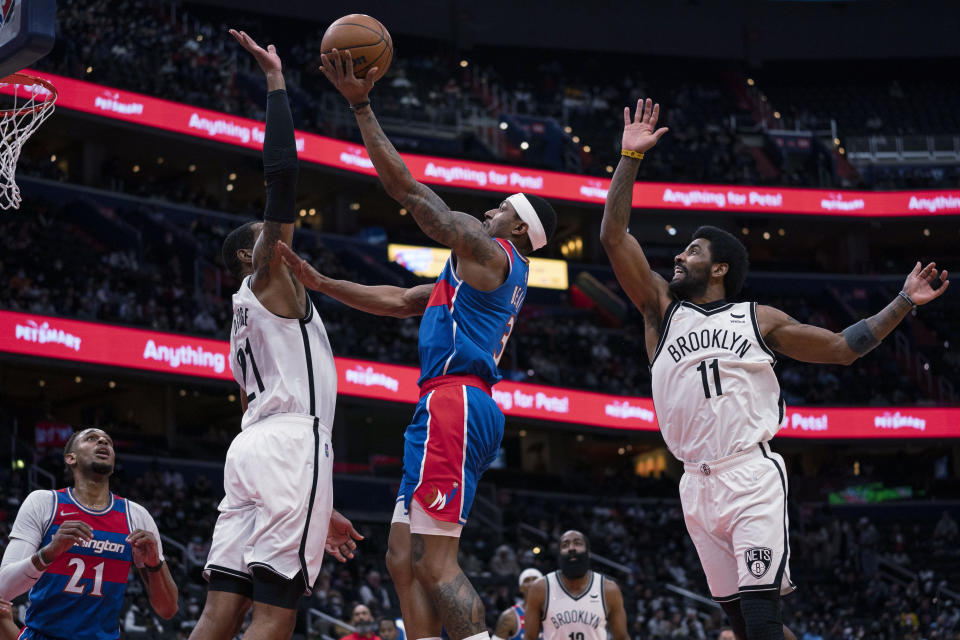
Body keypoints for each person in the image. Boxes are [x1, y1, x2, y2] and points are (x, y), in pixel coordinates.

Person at [599, 98, 950, 640]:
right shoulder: (660, 310)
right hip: (694, 483)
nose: (678, 257)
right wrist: (629, 157)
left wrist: (903, 301)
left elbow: (842, 347)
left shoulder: (756, 318)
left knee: (761, 621)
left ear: (718, 267)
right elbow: (613, 238)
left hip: (750, 476)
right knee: (741, 625)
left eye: (692, 250)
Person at [281, 46, 559, 640]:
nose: (490, 209)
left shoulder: (490, 253)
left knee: (437, 562)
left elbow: (411, 194)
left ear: (518, 228)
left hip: (455, 401)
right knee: (401, 558)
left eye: (503, 207)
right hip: (446, 402)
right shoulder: (473, 273)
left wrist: (362, 109)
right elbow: (399, 301)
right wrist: (324, 284)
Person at [188, 30, 362, 640]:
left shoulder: (242, 316)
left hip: (252, 451)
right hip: (292, 447)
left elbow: (251, 404)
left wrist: (322, 503)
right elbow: (283, 177)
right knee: (274, 616)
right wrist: (277, 84)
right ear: (250, 254)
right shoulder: (267, 276)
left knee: (220, 608)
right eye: (269, 239)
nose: (289, 243)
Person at [0, 428, 179, 639]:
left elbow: (167, 610)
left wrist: (154, 564)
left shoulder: (137, 516)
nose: (103, 441)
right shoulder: (44, 503)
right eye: (92, 438)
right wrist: (49, 552)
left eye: (108, 441)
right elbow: (3, 588)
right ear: (70, 458)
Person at [523, 530, 628, 640]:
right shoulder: (540, 588)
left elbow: (621, 637)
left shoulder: (608, 590)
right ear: (559, 554)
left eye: (577, 543)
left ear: (588, 553)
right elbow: (530, 638)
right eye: (565, 545)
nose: (571, 548)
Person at [492, 568, 543, 640]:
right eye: (527, 580)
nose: (532, 583)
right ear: (520, 588)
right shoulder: (509, 616)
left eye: (535, 579)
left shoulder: (553, 612)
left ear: (543, 585)